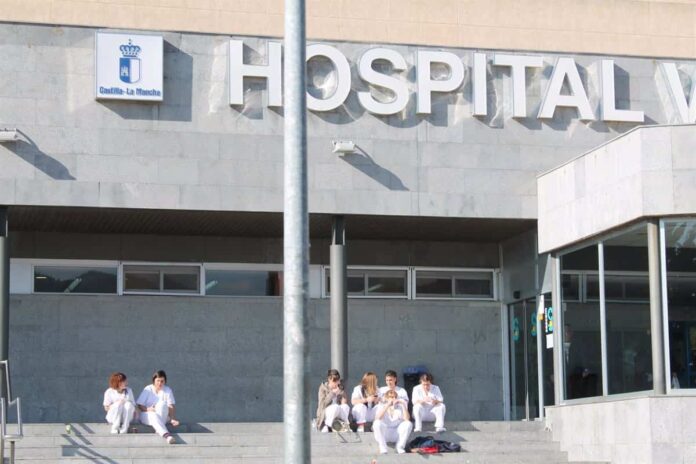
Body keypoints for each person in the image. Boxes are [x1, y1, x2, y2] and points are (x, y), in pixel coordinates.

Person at [136, 370, 180, 444]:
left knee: (162, 404)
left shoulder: (167, 390)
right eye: (158, 381)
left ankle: (161, 432)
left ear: (165, 381)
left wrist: (172, 419)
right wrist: (148, 409)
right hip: (147, 414)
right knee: (153, 415)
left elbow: (171, 405)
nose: (160, 383)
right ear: (154, 381)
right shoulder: (148, 389)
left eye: (162, 381)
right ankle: (167, 435)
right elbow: (140, 405)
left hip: (163, 416)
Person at [373, 389, 413, 454]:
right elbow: (377, 418)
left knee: (408, 424)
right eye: (391, 397)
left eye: (395, 397)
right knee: (376, 423)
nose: (393, 398)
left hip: (396, 433)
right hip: (385, 433)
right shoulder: (381, 406)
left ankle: (399, 447)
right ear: (386, 398)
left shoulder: (400, 406)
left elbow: (407, 419)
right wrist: (387, 405)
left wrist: (403, 405)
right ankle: (382, 447)